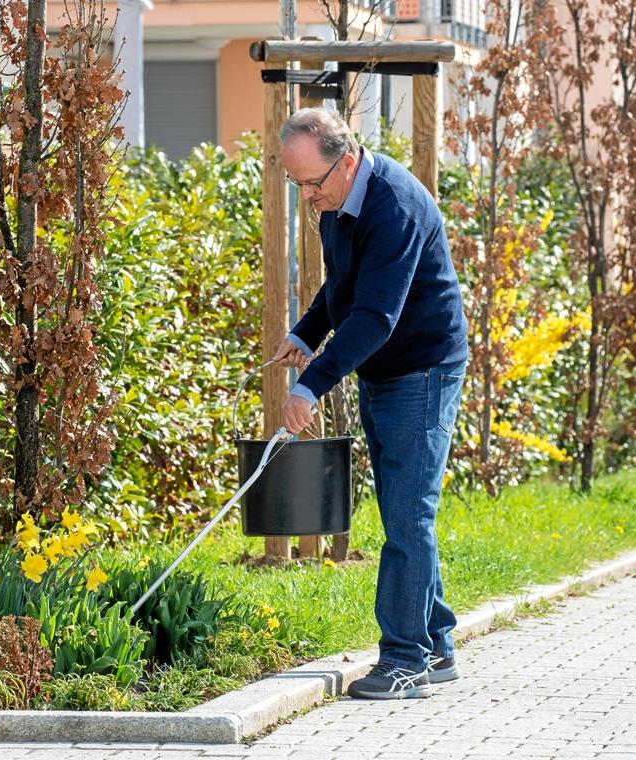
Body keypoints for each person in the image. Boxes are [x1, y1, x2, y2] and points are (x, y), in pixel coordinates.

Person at [272, 108, 468, 700]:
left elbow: (377, 315)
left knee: (409, 514)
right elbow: (342, 290)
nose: (308, 197)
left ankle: (405, 659)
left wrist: (312, 384)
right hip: (385, 369)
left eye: (313, 183)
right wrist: (307, 332)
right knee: (402, 510)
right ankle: (436, 645)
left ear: (348, 160)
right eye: (297, 185)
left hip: (424, 368)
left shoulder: (394, 206)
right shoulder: (336, 203)